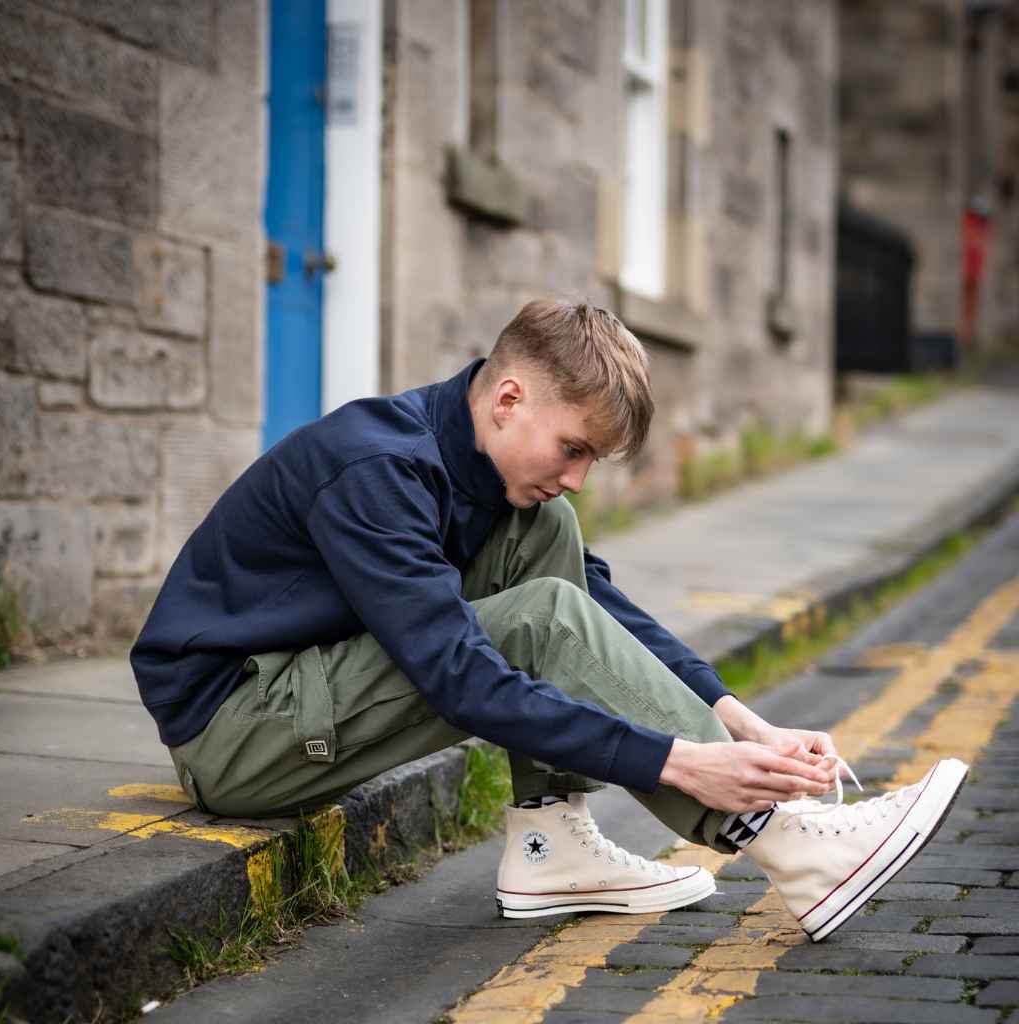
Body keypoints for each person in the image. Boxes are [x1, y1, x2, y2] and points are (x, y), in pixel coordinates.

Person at [131, 299, 967, 943]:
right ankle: (791, 846)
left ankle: (549, 842)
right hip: (239, 730)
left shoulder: (488, 477)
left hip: (309, 683)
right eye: (574, 449)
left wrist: (734, 718)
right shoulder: (377, 471)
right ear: (507, 398)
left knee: (550, 539)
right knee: (538, 620)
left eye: (592, 461)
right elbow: (461, 675)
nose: (578, 476)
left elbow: (601, 604)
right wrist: (680, 763)